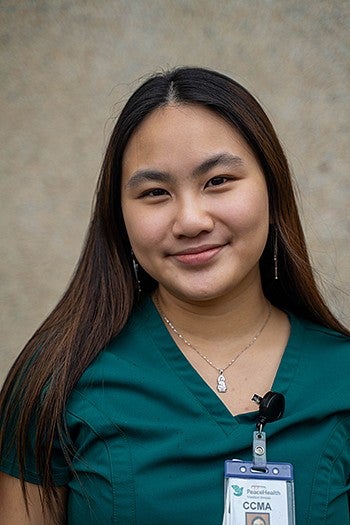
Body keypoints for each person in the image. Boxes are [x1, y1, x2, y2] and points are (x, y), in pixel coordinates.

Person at [0, 66, 349, 525]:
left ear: (272, 187)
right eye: (155, 192)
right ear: (119, 214)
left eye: (218, 181)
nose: (190, 220)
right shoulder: (58, 376)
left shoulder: (341, 374)